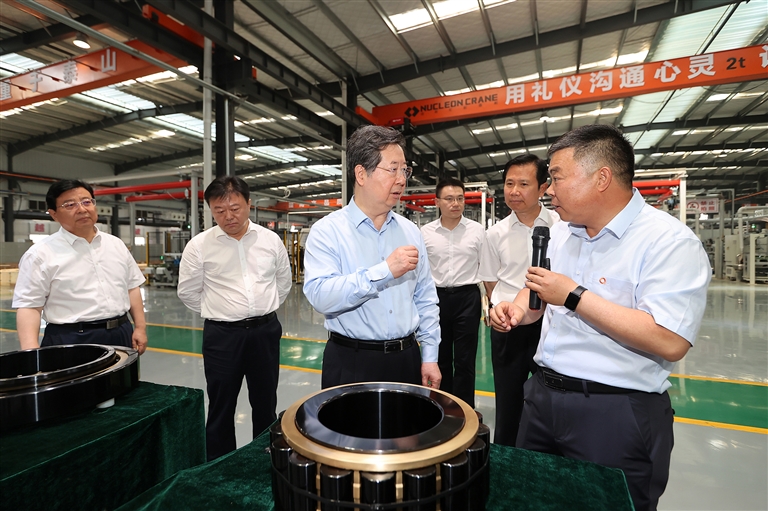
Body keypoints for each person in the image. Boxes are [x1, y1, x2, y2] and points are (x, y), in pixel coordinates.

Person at [490, 124, 711, 511]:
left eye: (557, 177)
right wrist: (520, 310)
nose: (549, 189)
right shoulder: (564, 233)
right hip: (543, 399)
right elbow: (541, 288)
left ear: (601, 178)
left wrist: (574, 296)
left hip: (616, 412)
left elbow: (669, 339)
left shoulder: (668, 241)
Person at [303, 125, 441, 390]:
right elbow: (321, 296)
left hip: (406, 359)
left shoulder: (411, 232)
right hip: (351, 362)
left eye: (405, 170)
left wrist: (430, 356)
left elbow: (425, 297)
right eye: (393, 169)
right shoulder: (328, 231)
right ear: (361, 174)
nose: (401, 180)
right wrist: (384, 271)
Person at [177, 176, 291, 461]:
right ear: (210, 210)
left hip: (265, 332)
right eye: (219, 210)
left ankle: (263, 459)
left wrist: (261, 309)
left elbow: (283, 282)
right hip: (222, 337)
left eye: (235, 208)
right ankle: (220, 464)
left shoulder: (270, 240)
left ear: (249, 204)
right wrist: (222, 312)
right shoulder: (199, 246)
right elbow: (188, 292)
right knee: (221, 404)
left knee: (265, 401)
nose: (228, 216)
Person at [478, 154, 559, 445]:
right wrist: (502, 311)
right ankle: (505, 458)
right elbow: (490, 281)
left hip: (549, 325)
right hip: (508, 327)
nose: (514, 191)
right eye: (509, 183)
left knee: (550, 402)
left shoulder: (561, 227)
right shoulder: (495, 234)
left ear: (543, 188)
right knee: (508, 401)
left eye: (523, 184)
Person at [13, 179, 147, 354]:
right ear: (54, 214)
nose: (82, 209)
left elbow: (132, 287)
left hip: (121, 332)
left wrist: (140, 327)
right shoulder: (40, 255)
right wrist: (31, 354)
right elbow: (29, 307)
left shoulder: (116, 244)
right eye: (70, 205)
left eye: (86, 202)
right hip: (71, 339)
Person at [420, 178, 485, 407]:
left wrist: (491, 303)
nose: (455, 204)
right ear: (437, 202)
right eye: (449, 199)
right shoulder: (425, 233)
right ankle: (443, 409)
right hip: (436, 299)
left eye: (460, 198)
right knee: (440, 357)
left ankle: (465, 410)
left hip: (468, 298)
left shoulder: (477, 231)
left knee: (466, 360)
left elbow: (486, 267)